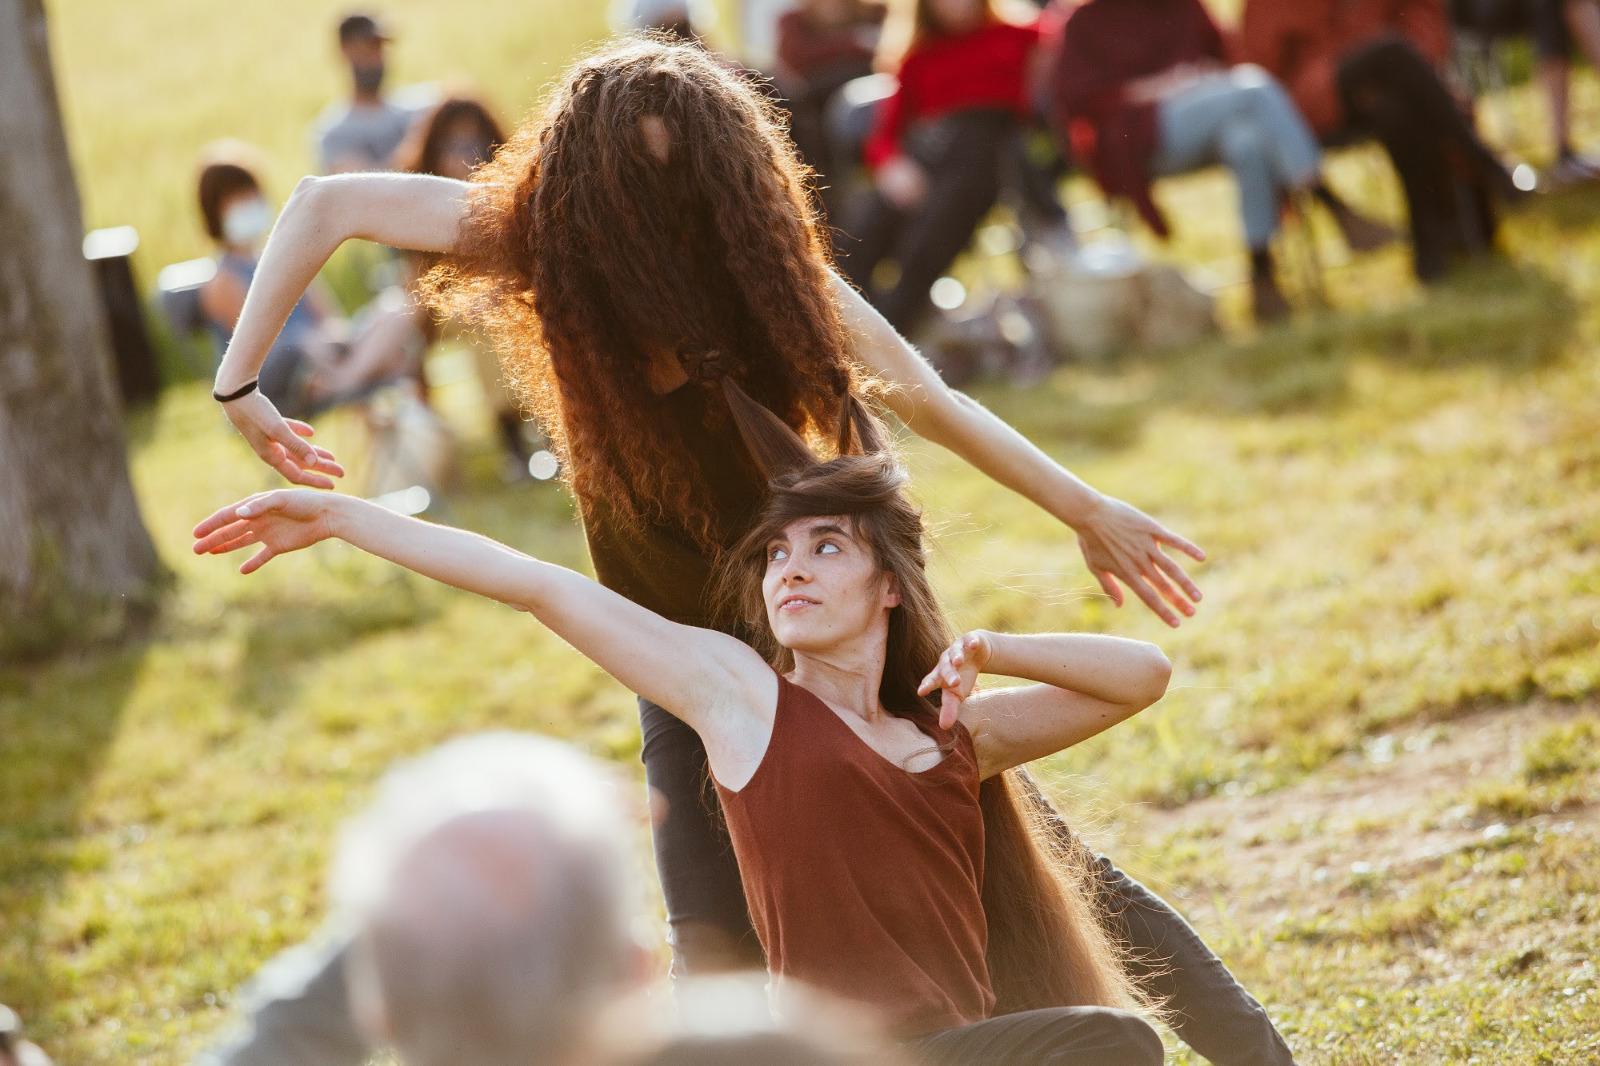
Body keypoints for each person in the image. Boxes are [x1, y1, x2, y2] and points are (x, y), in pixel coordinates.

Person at [204, 36, 1293, 1066]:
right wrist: (239, 381)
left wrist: (1085, 505)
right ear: (585, 202)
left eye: (686, 194)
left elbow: (934, 397)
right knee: (710, 949)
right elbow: (327, 203)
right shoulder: (536, 235)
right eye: (638, 200)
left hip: (832, 630)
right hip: (687, 667)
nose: (664, 229)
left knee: (1037, 865)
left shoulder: (768, 276)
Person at [192, 380, 1170, 1062]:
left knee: (1111, 1042)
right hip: (819, 1058)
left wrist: (994, 647)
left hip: (964, 1053)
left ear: (887, 590)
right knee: (1112, 1043)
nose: (790, 567)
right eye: (777, 552)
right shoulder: (738, 696)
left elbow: (1140, 675)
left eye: (826, 547)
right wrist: (345, 518)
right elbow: (538, 585)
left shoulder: (952, 741)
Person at [1049, 0, 1396, 322]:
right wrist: (1155, 88)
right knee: (1255, 89)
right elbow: (1075, 99)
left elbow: (1228, 56)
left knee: (1247, 142)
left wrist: (1201, 78)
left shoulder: (1180, 5)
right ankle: (1330, 202)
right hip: (1144, 135)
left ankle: (1262, 276)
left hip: (1207, 118)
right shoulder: (1086, 21)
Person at [1240, 0, 1526, 281]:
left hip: (1387, 80)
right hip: (1304, 100)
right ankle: (1482, 159)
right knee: (1391, 53)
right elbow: (1260, 65)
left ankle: (1431, 250)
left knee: (1394, 108)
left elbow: (1421, 15)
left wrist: (1407, 73)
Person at [834, 0, 1065, 334]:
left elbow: (1069, 43)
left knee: (930, 233)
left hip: (992, 159)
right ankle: (841, 327)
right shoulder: (918, 55)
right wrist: (892, 166)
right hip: (928, 156)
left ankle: (891, 325)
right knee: (862, 232)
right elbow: (884, 136)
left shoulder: (1021, 37)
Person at [194, 148, 423, 421]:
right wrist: (314, 344)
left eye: (252, 195)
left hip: (323, 353)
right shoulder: (222, 280)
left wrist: (331, 342)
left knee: (398, 310)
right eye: (238, 199)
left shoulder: (283, 256)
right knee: (311, 344)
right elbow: (255, 345)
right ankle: (363, 372)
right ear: (215, 212)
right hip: (283, 370)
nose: (250, 203)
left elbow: (329, 318)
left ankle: (344, 381)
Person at [392, 96, 543, 477]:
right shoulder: (419, 202)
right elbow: (418, 286)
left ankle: (542, 429)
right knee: (487, 316)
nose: (465, 156)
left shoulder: (508, 196)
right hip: (444, 310)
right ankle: (515, 439)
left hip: (505, 299)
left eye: (475, 145)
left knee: (505, 309)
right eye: (453, 146)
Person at [313, 13, 416, 174]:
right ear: (345, 51)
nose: (375, 57)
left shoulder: (415, 111)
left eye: (379, 48)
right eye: (367, 47)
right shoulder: (333, 133)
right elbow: (361, 184)